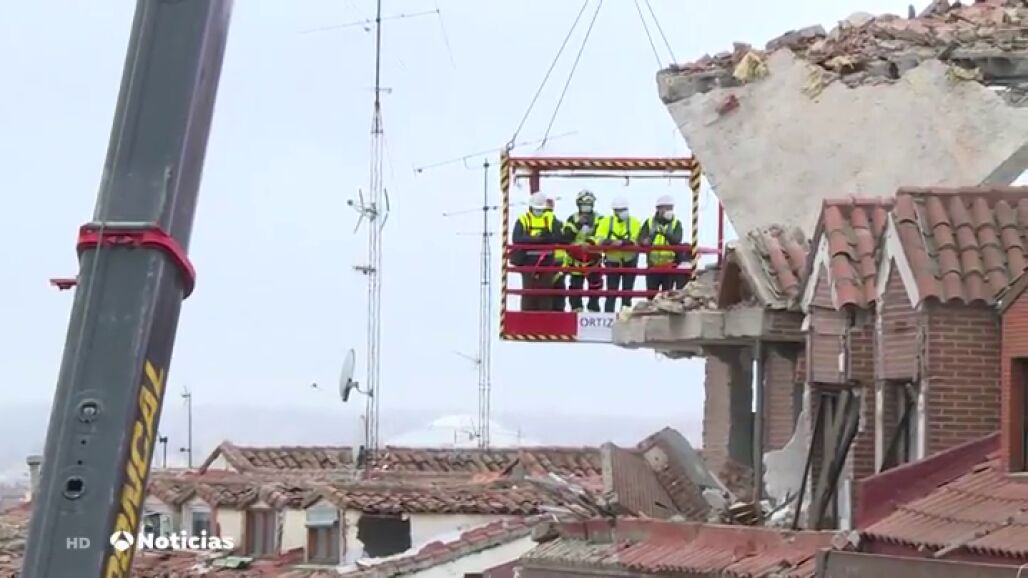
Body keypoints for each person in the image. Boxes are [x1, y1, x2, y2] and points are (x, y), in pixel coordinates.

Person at [511, 192, 564, 311]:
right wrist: (538, 240)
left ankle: (545, 317)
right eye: (536, 210)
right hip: (528, 261)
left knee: (545, 292)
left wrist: (545, 238)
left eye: (541, 210)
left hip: (546, 261)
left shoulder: (550, 219)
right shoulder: (523, 220)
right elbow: (517, 238)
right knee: (528, 292)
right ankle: (526, 317)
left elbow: (558, 237)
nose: (538, 212)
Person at [595, 197, 641, 313]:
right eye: (620, 210)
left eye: (624, 209)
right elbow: (599, 239)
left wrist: (622, 243)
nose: (623, 212)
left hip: (629, 261)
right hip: (612, 261)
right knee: (611, 293)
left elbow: (636, 240)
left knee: (627, 293)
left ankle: (626, 317)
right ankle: (608, 316)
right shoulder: (606, 222)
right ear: (614, 211)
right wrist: (611, 243)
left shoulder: (634, 222)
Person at [562, 190, 603, 312]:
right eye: (584, 204)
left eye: (589, 204)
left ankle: (593, 308)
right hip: (576, 259)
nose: (586, 207)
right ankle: (576, 308)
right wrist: (578, 225)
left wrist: (590, 242)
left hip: (593, 258)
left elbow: (602, 235)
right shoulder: (572, 218)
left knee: (595, 285)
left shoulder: (599, 218)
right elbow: (566, 237)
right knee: (575, 286)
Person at [639, 195, 685, 296]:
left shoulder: (676, 223)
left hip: (669, 267)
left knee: (667, 296)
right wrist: (647, 240)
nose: (669, 211)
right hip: (653, 266)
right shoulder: (649, 222)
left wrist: (665, 233)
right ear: (659, 209)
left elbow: (677, 240)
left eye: (671, 208)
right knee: (651, 296)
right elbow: (641, 239)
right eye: (666, 208)